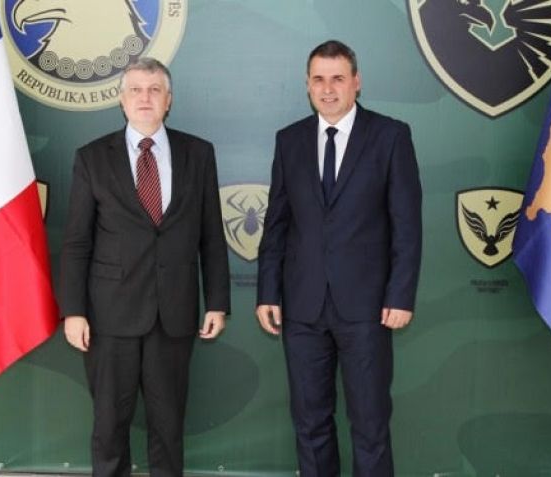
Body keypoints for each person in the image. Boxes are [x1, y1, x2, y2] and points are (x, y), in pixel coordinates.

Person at [256, 40, 422, 476]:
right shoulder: (289, 140)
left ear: (356, 82)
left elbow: (407, 225)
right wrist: (268, 292)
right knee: (310, 423)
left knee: (370, 425)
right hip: (302, 308)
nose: (327, 89)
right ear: (307, 85)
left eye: (337, 79)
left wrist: (400, 295)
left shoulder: (390, 136)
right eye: (318, 79)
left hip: (367, 309)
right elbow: (276, 223)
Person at [58, 57, 230, 477]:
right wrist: (73, 311)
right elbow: (77, 242)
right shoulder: (92, 158)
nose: (145, 98)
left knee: (168, 428)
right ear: (121, 100)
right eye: (135, 89)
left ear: (169, 100)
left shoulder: (198, 154)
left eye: (154, 90)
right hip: (109, 316)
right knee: (109, 427)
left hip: (173, 314)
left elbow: (211, 234)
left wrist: (217, 302)